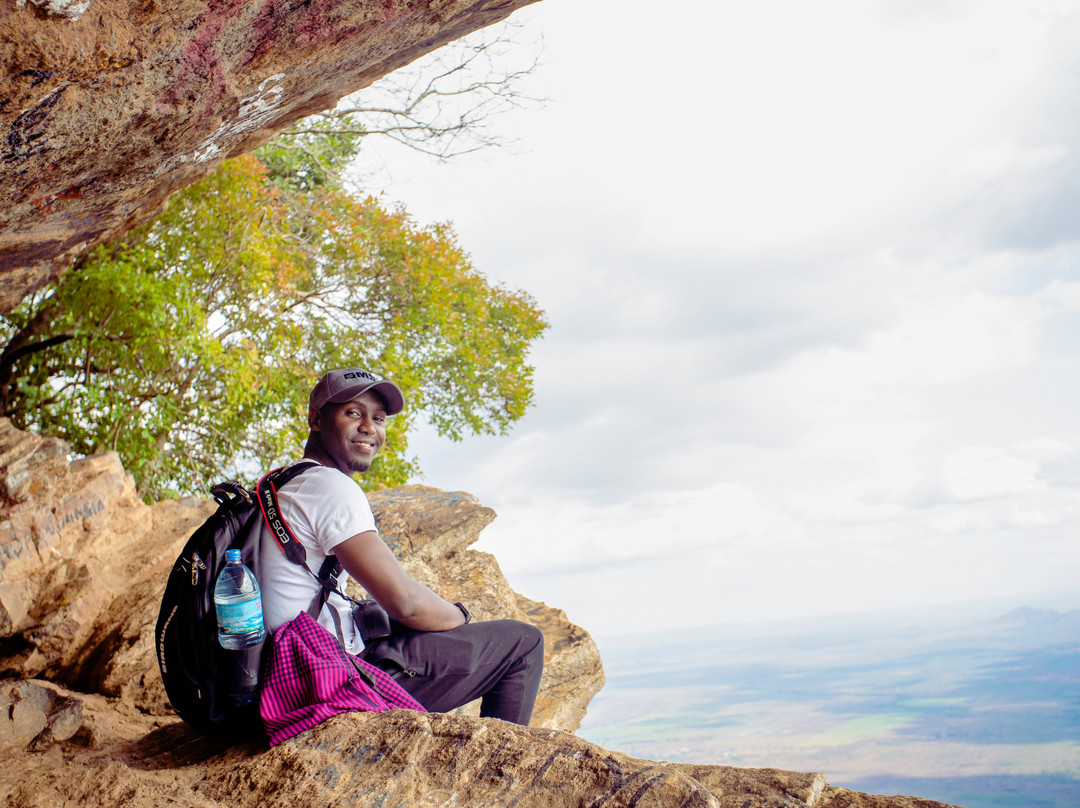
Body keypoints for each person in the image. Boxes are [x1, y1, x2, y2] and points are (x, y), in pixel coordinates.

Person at [259, 368, 544, 726]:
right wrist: (461, 617)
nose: (369, 428)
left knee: (393, 622)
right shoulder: (331, 487)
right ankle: (505, 771)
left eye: (378, 418)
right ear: (316, 419)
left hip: (283, 671)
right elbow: (406, 603)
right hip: (326, 679)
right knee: (524, 644)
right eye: (353, 413)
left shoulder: (279, 482)